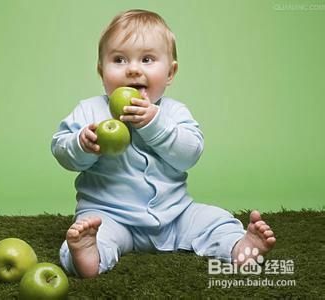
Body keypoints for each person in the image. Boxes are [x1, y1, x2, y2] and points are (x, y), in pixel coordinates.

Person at [51, 9, 276, 278]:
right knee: (92, 233)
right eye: (119, 60)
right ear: (101, 71)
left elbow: (190, 153)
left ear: (170, 72)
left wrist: (153, 123)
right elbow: (61, 150)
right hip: (110, 216)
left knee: (215, 219)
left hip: (175, 215)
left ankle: (239, 246)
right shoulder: (89, 111)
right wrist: (81, 145)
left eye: (147, 59)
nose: (133, 68)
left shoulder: (173, 113)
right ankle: (88, 255)